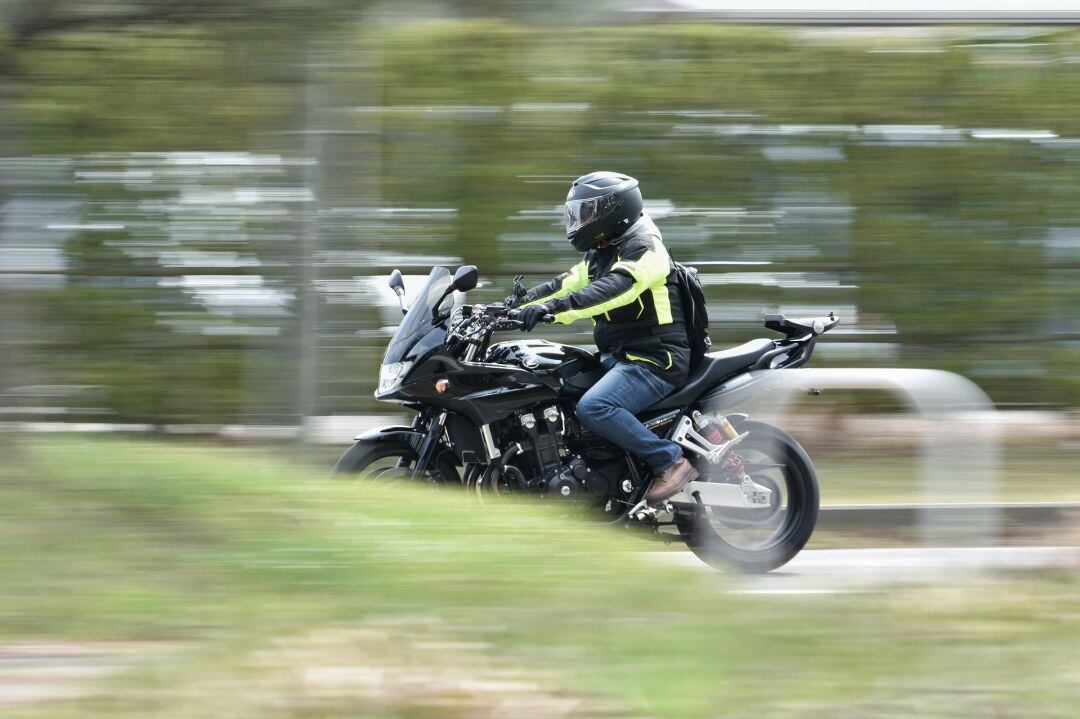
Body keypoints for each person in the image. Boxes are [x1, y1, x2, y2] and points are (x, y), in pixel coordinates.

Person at [511, 171, 696, 503]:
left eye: (587, 212)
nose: (580, 221)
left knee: (595, 407)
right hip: (621, 357)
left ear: (615, 210)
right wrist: (509, 307)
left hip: (654, 359)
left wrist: (552, 308)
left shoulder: (645, 248)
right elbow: (564, 286)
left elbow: (614, 290)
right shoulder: (601, 252)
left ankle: (670, 461)